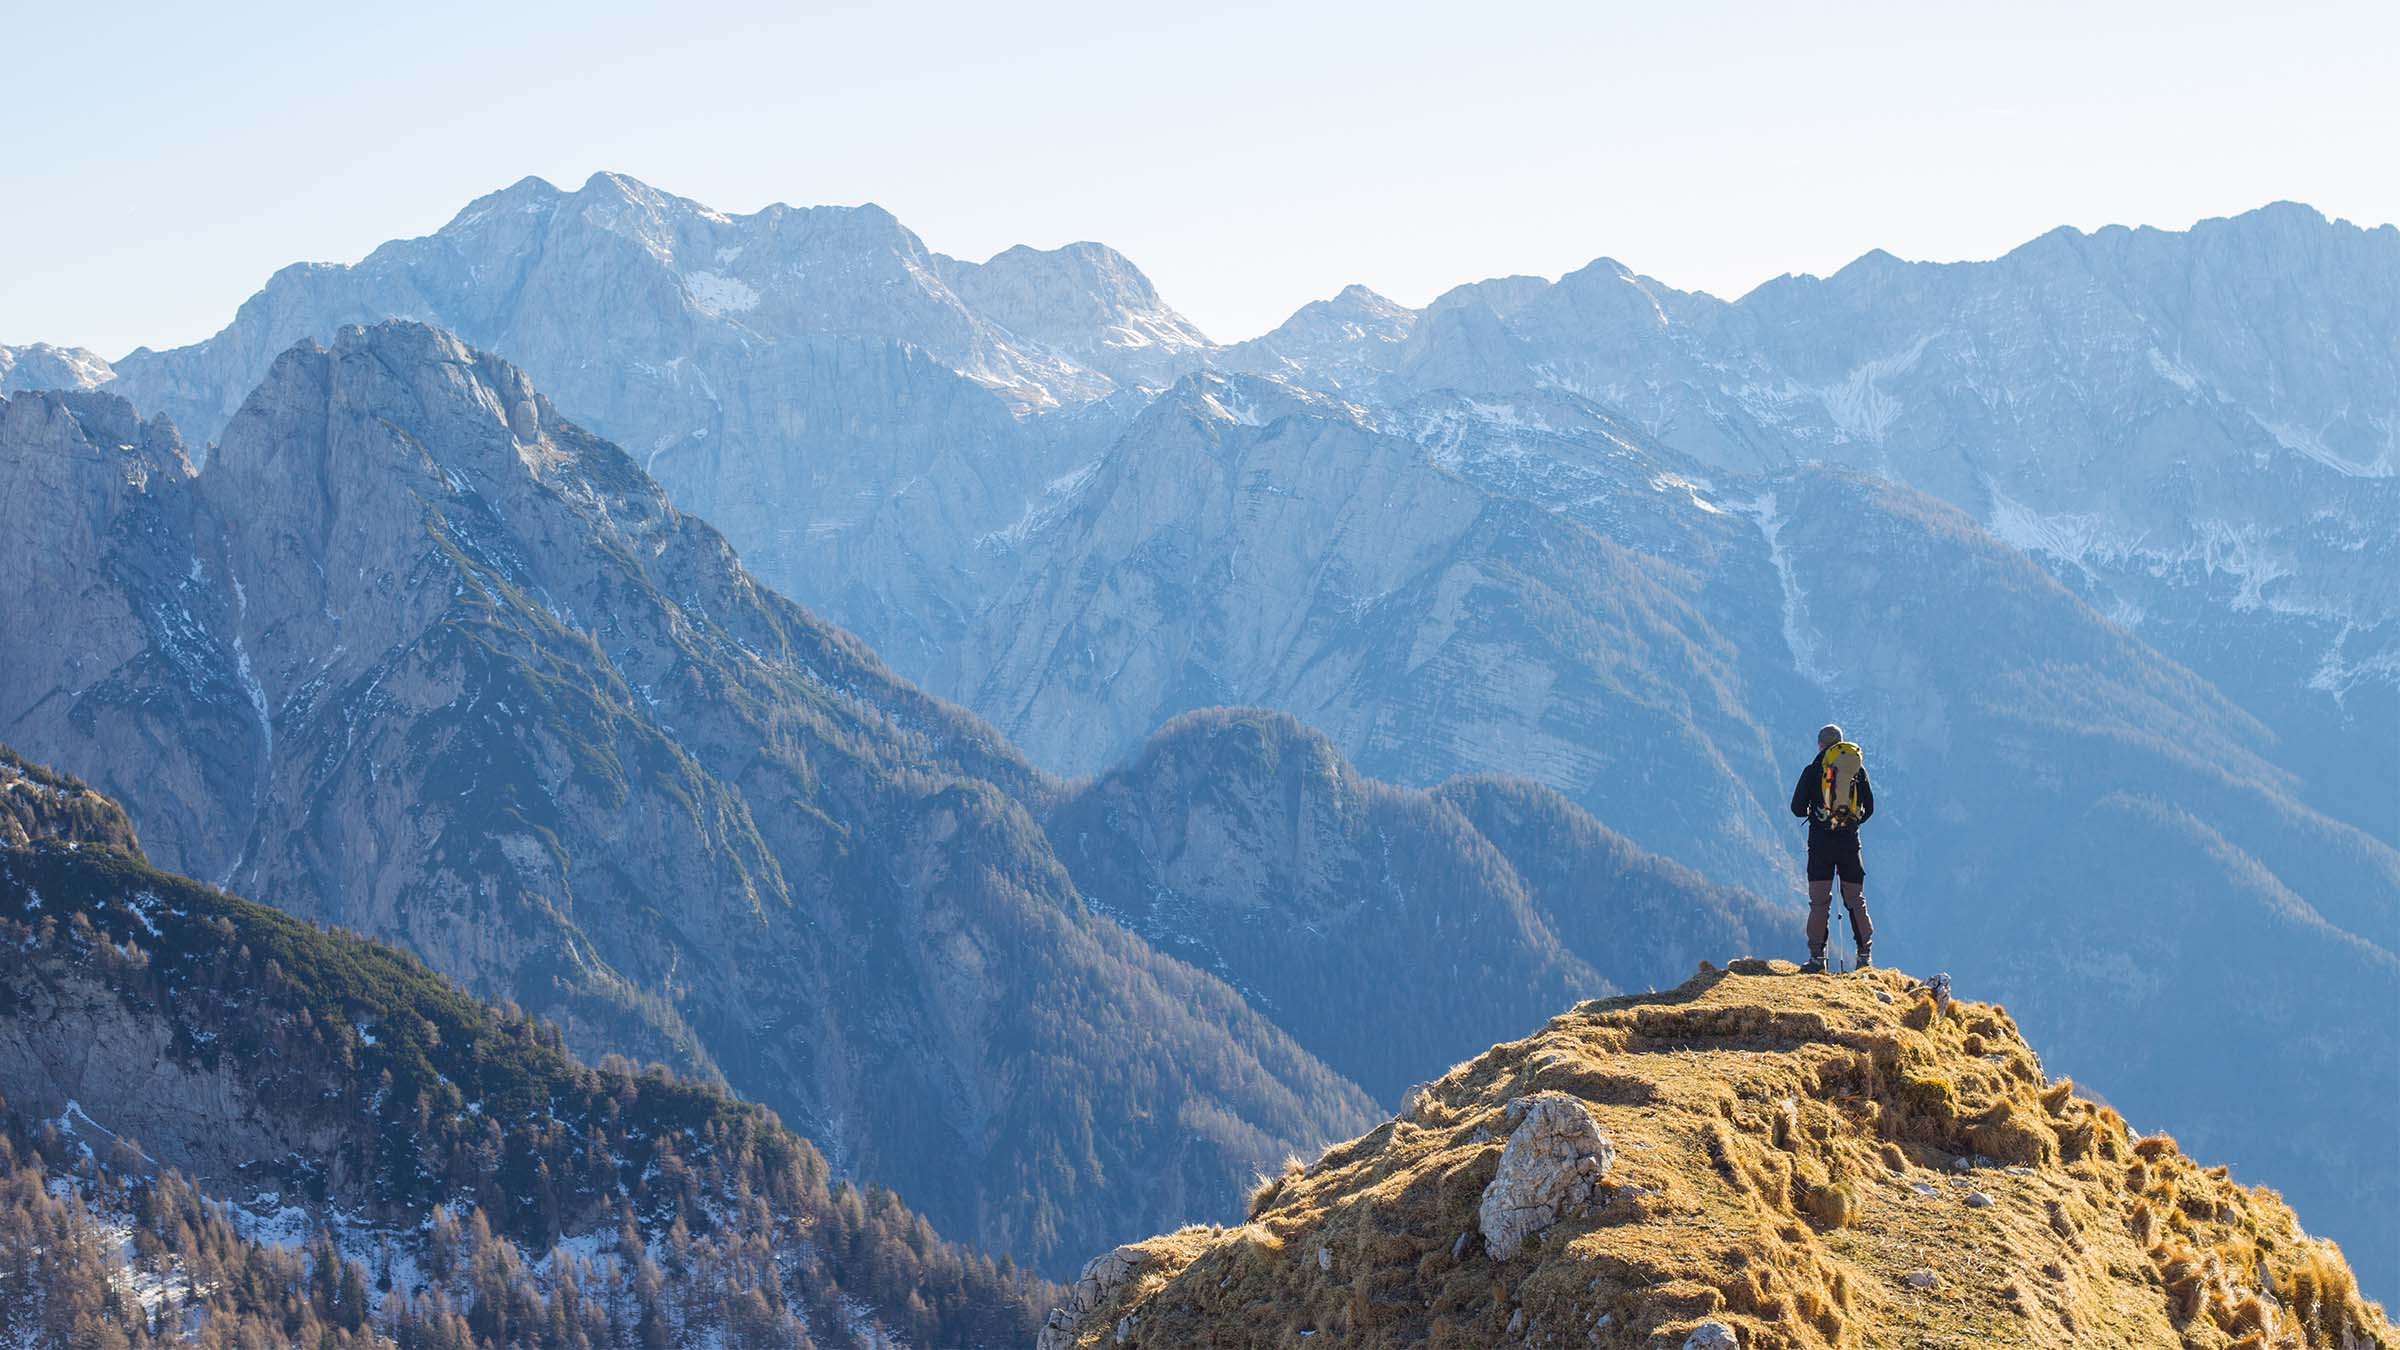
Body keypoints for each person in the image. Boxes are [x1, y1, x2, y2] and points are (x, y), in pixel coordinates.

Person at [1790, 723, 1873, 973]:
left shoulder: (1813, 770)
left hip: (1820, 846)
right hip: (1849, 844)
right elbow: (1869, 808)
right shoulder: (1857, 771)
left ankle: (1817, 959)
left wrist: (1816, 815)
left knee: (1819, 902)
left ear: (1820, 745)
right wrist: (1851, 822)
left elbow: (1796, 808)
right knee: (1855, 899)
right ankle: (1864, 956)